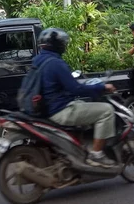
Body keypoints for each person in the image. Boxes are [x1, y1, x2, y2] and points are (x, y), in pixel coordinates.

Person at [34, 27, 117, 168]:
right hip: (60, 110)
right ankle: (96, 155)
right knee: (106, 110)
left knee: (80, 105)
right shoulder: (56, 63)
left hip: (46, 109)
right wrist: (101, 87)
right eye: (63, 43)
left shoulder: (38, 60)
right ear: (58, 45)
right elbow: (75, 88)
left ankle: (79, 150)